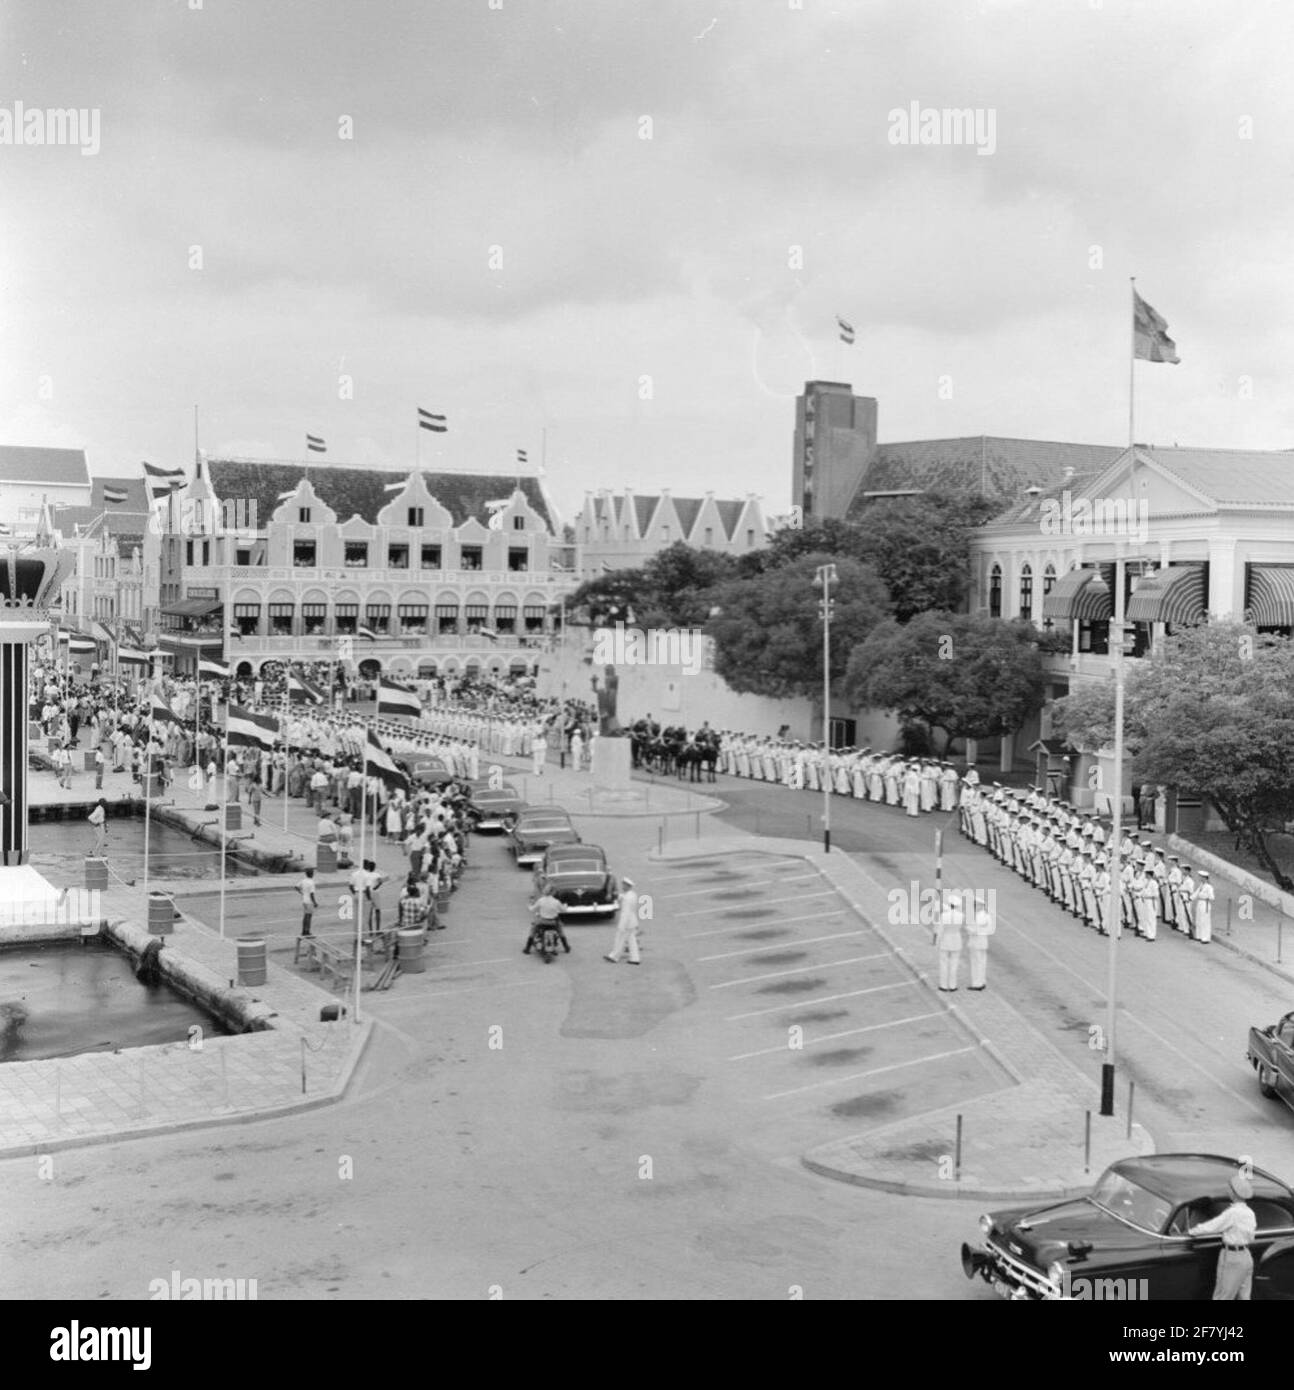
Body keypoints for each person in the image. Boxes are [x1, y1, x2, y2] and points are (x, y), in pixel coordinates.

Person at [1189, 1173, 1257, 1299]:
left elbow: (1212, 1226)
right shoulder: (1250, 1213)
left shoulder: (1233, 1213)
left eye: (1230, 1189)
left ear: (1233, 1193)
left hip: (1231, 1257)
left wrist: (1192, 1231)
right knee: (1244, 1296)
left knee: (1223, 1295)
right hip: (1246, 1256)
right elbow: (1251, 1236)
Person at [604, 877, 641, 964]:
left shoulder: (627, 898)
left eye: (624, 885)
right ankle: (635, 959)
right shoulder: (632, 894)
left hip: (626, 923)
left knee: (619, 939)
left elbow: (626, 913)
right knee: (632, 941)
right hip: (632, 922)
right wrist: (619, 896)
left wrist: (622, 925)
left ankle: (614, 956)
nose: (622, 886)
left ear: (628, 886)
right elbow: (623, 896)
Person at [527, 886, 571, 954]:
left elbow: (532, 909)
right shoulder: (556, 902)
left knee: (533, 929)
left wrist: (529, 905)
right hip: (553, 922)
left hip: (542, 922)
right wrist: (565, 905)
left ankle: (527, 948)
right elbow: (564, 910)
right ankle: (566, 947)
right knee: (561, 932)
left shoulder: (541, 900)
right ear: (553, 893)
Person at [935, 892, 964, 992]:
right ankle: (953, 985)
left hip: (945, 940)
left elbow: (940, 930)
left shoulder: (944, 915)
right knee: (954, 964)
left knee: (943, 963)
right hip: (956, 939)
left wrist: (937, 942)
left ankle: (943, 985)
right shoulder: (961, 916)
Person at [965, 900, 993, 991]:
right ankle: (982, 981)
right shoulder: (987, 916)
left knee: (975, 963)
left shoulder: (976, 916)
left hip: (975, 941)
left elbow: (972, 930)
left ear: (980, 906)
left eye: (976, 905)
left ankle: (977, 983)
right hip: (983, 942)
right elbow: (990, 930)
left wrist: (971, 930)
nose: (974, 907)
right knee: (982, 962)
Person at [1192, 869, 1215, 943]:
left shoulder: (1209, 887)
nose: (1199, 878)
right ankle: (1199, 936)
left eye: (1201, 877)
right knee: (1198, 919)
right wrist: (1190, 899)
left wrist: (1204, 896)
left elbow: (1212, 897)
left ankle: (1205, 938)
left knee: (1205, 921)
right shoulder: (1201, 885)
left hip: (1205, 904)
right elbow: (1196, 893)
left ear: (1205, 878)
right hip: (1200, 903)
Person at [298, 868, 318, 937]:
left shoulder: (303, 880)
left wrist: (301, 892)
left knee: (305, 916)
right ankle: (307, 932)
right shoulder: (311, 882)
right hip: (309, 902)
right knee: (309, 917)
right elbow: (312, 894)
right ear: (312, 874)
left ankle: (303, 931)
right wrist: (315, 902)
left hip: (304, 900)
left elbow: (296, 886)